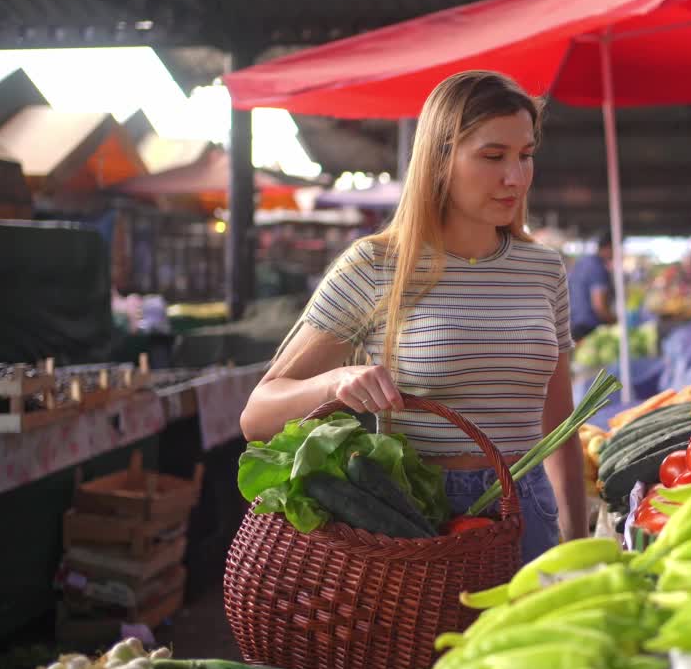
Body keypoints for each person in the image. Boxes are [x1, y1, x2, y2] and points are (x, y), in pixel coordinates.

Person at [239, 71, 587, 563]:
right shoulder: (377, 266)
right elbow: (257, 415)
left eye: (525, 155)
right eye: (493, 157)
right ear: (440, 158)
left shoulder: (544, 269)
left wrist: (579, 542)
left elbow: (560, 424)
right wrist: (337, 381)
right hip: (418, 519)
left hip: (528, 510)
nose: (516, 176)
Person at [568, 232, 617, 341]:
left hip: (573, 323)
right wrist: (615, 321)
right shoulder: (598, 268)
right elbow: (599, 306)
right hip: (589, 328)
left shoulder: (581, 263)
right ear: (609, 247)